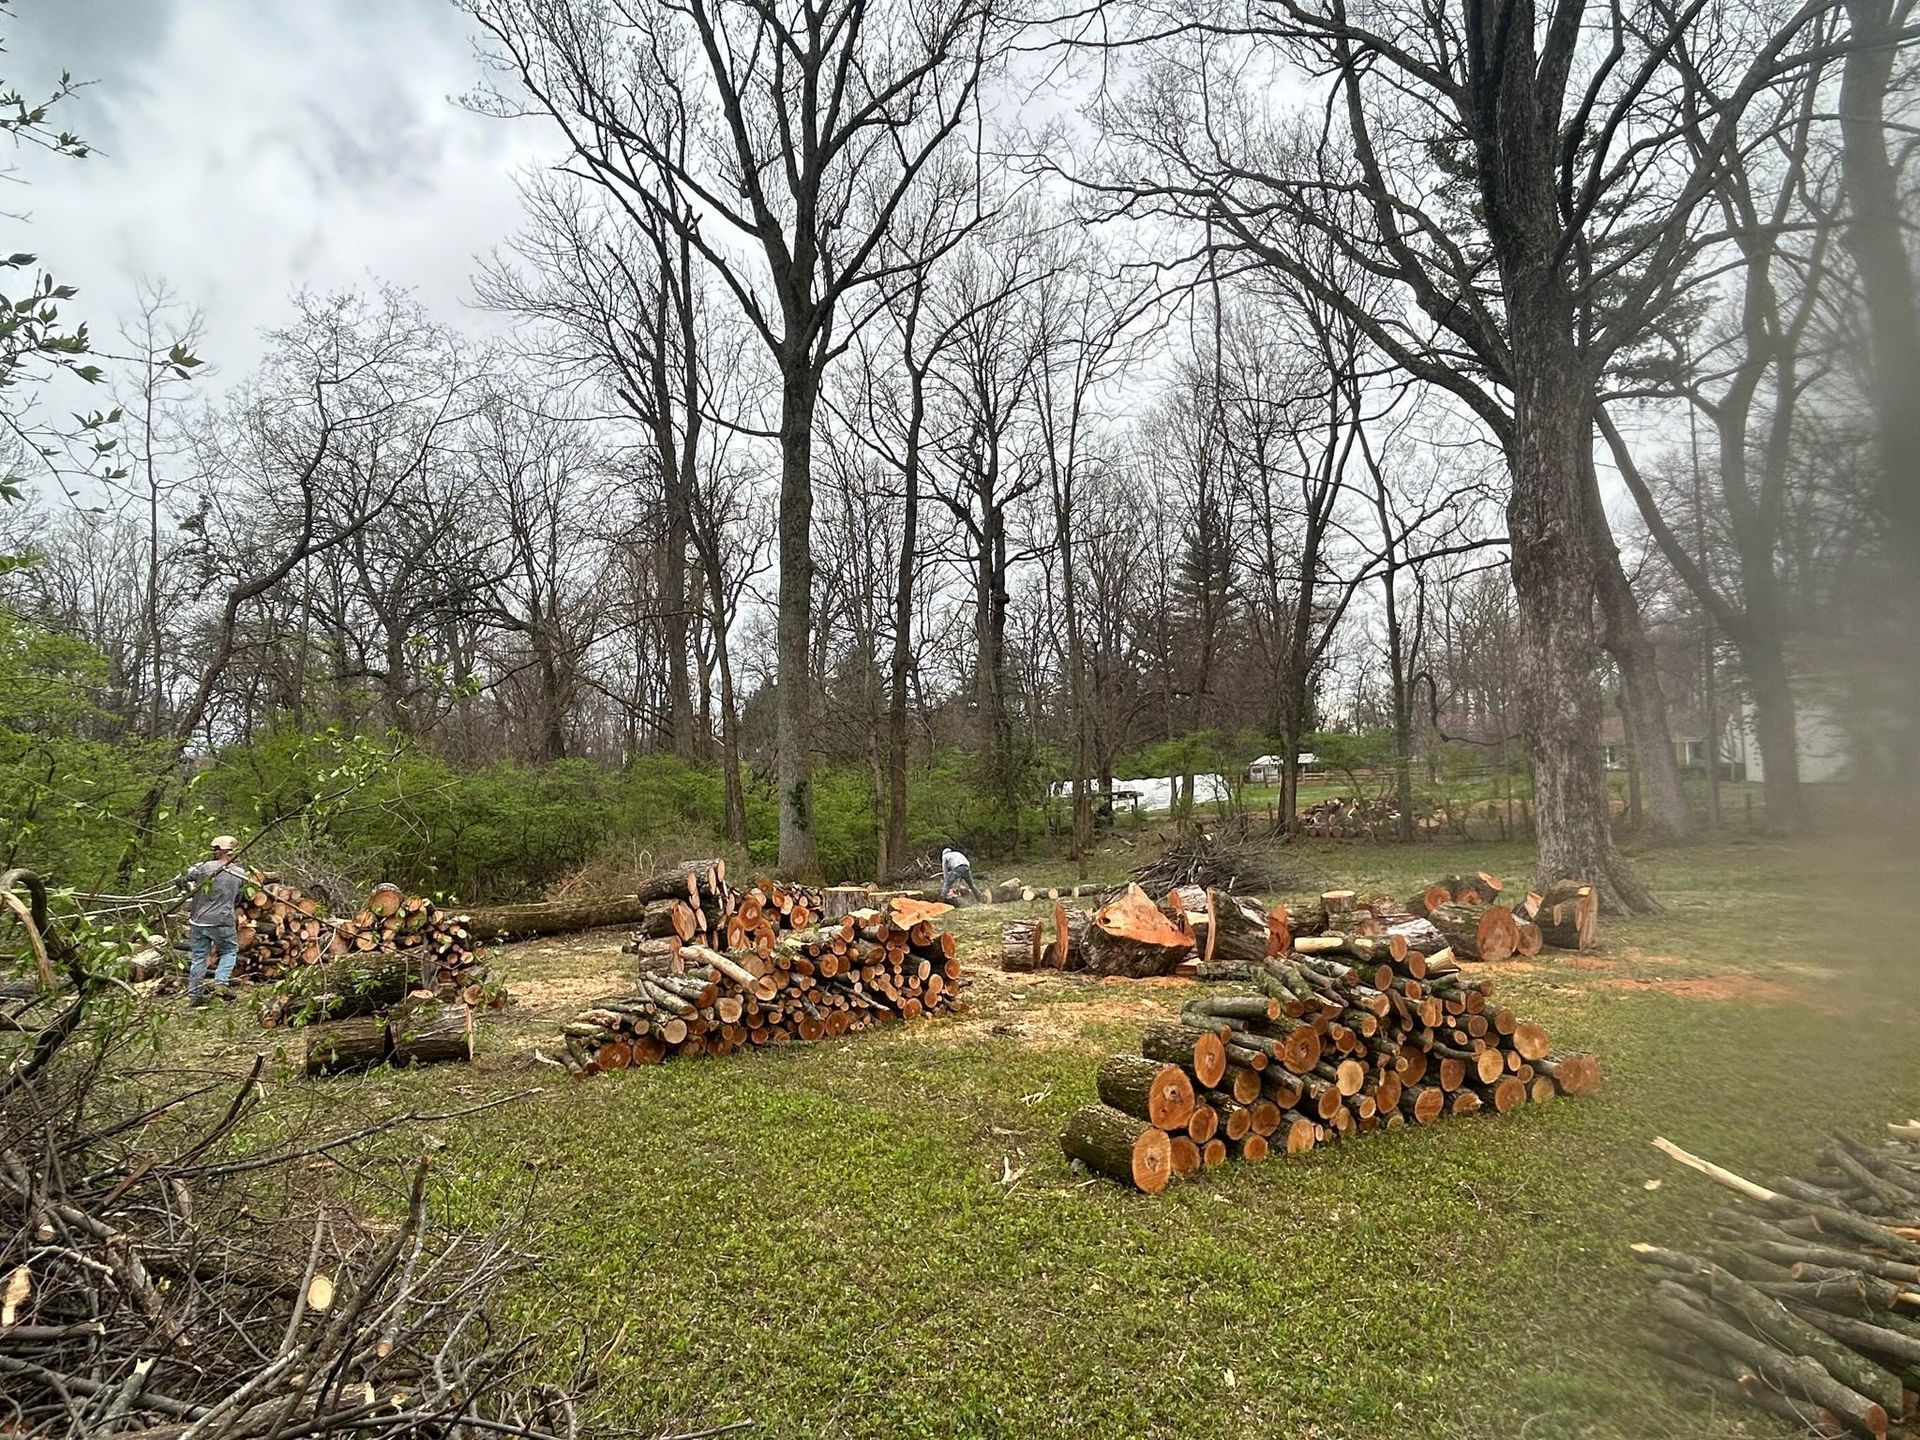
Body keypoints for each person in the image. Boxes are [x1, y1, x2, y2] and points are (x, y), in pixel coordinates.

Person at [174, 835, 253, 1003]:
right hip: (223, 920)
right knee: (229, 951)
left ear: (217, 850)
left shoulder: (204, 868)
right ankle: (221, 982)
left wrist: (185, 884)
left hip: (198, 920)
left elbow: (179, 879)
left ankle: (195, 996)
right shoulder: (240, 873)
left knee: (199, 957)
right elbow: (240, 897)